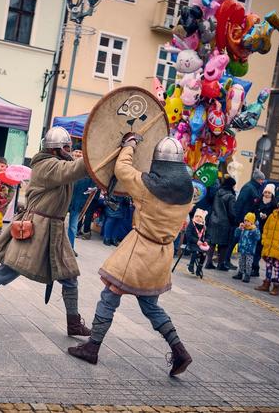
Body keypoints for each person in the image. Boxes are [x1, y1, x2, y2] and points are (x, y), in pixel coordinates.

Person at [67, 136, 194, 377]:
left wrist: (130, 145)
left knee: (109, 298)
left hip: (139, 251)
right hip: (162, 254)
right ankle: (180, 351)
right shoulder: (188, 192)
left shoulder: (147, 186)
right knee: (151, 307)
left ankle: (92, 347)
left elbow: (122, 169)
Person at [0, 126, 91, 337]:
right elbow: (73, 170)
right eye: (65, 147)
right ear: (54, 149)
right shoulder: (46, 165)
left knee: (70, 276)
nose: (70, 150)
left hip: (55, 229)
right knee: (8, 269)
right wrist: (95, 154)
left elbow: (79, 171)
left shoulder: (60, 163)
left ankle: (73, 322)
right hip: (36, 227)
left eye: (70, 147)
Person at [255, 198, 279, 296]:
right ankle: (266, 283)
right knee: (268, 266)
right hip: (269, 245)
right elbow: (266, 228)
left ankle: (276, 286)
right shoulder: (272, 216)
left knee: (277, 268)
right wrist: (264, 239)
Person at [226, 169, 265, 268]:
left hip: (247, 219)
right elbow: (240, 203)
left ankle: (226, 260)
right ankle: (225, 260)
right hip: (242, 219)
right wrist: (238, 219)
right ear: (257, 179)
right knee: (233, 240)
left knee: (235, 240)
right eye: (261, 180)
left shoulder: (253, 187)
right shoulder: (249, 188)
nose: (262, 182)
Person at [204, 176, 236, 271]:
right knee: (223, 244)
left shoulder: (218, 192)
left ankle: (208, 262)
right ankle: (221, 264)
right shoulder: (231, 196)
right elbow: (232, 212)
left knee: (212, 242)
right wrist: (234, 220)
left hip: (213, 219)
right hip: (224, 222)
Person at [67, 144, 95, 251]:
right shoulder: (66, 165)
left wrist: (93, 188)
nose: (78, 154)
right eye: (76, 151)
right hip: (64, 201)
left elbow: (93, 183)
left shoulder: (87, 169)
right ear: (72, 153)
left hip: (78, 203)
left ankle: (70, 249)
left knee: (73, 227)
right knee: (57, 225)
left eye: (80, 152)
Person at [253, 184, 277, 276]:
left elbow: (274, 216)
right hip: (256, 226)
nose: (267, 194)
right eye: (265, 192)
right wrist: (258, 214)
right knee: (254, 248)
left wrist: (267, 217)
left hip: (265, 229)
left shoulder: (274, 204)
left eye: (269, 193)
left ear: (272, 194)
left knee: (259, 249)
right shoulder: (258, 201)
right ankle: (252, 267)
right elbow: (253, 211)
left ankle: (255, 268)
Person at [232, 213, 261, 283]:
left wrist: (255, 230)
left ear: (252, 222)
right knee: (241, 262)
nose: (245, 222)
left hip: (250, 250)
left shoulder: (254, 230)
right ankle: (240, 273)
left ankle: (247, 274)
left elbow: (258, 238)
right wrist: (239, 228)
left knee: (248, 263)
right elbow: (236, 235)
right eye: (245, 220)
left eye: (247, 221)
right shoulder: (243, 229)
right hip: (242, 249)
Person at [185, 209, 208, 278]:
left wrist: (206, 241)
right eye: (197, 216)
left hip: (200, 244)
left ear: (203, 219)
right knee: (196, 252)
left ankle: (199, 268)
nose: (198, 218)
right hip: (192, 243)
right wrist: (196, 241)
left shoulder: (204, 226)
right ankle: (191, 266)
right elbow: (188, 235)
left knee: (204, 254)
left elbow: (208, 236)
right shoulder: (191, 224)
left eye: (200, 217)